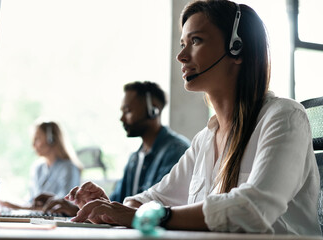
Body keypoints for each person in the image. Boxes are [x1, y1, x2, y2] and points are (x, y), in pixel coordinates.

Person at [64, 0, 321, 235]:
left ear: (237, 49)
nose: (181, 56)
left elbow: (251, 209)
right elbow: (152, 199)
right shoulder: (205, 140)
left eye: (196, 41)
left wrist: (149, 216)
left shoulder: (284, 118)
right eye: (182, 44)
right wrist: (108, 207)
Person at [40, 81, 190, 216]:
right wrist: (80, 207)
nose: (122, 118)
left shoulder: (176, 151)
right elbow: (117, 204)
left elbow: (161, 207)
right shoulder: (135, 158)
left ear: (153, 110)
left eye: (128, 111)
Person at [0, 120, 83, 210]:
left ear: (51, 139)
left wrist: (18, 207)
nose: (33, 145)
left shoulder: (68, 168)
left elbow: (63, 206)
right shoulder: (38, 168)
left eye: (37, 139)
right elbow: (31, 200)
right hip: (37, 217)